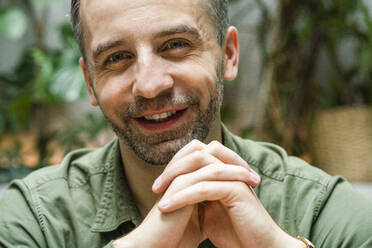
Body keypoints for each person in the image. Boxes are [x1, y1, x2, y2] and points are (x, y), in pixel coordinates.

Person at [0, 0, 371, 247]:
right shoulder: (35, 221)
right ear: (90, 82)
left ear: (228, 54)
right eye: (117, 57)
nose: (149, 85)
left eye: (175, 45)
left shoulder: (323, 215)